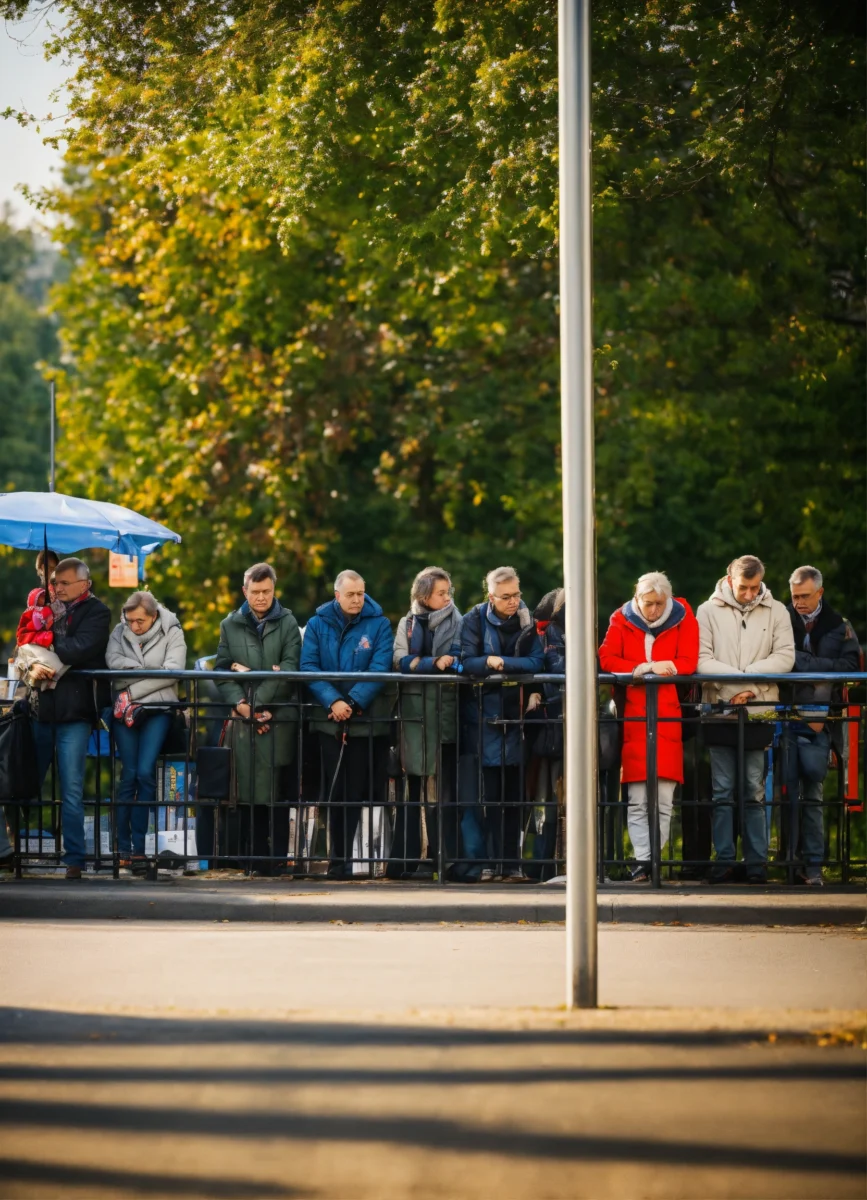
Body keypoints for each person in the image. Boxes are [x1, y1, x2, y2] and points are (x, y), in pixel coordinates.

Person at [697, 555, 795, 884]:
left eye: (755, 588)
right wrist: (737, 686)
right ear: (729, 579)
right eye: (743, 587)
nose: (750, 594)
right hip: (720, 708)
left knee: (754, 790)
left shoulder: (777, 610)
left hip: (758, 709)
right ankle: (723, 860)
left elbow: (785, 657)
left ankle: (757, 864)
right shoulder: (707, 610)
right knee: (722, 790)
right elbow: (701, 659)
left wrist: (747, 686)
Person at [599, 572, 699, 881]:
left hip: (667, 714)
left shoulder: (683, 616)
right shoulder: (621, 618)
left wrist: (655, 669)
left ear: (667, 600)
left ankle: (654, 858)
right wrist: (645, 669)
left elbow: (689, 660)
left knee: (664, 799)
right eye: (647, 603)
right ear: (637, 598)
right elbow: (606, 657)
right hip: (635, 716)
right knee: (638, 798)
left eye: (658, 604)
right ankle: (644, 860)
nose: (652, 610)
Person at [300, 570, 394, 878]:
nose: (357, 599)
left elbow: (380, 667)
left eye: (361, 593)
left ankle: (346, 862)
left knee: (355, 792)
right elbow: (309, 666)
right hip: (327, 721)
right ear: (337, 595)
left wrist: (352, 702)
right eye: (351, 594)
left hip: (364, 722)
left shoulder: (379, 624)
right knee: (332, 791)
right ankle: (335, 859)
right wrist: (333, 701)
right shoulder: (316, 624)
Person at [214, 563, 302, 875]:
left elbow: (290, 669)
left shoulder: (289, 622)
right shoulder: (230, 624)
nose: (261, 597)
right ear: (245, 592)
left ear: (274, 590)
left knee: (276, 793)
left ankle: (276, 860)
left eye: (266, 591)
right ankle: (248, 859)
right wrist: (244, 707)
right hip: (244, 720)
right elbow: (223, 672)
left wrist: (258, 701)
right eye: (255, 592)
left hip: (278, 717)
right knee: (246, 792)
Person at [27, 557, 111, 880]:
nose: (56, 588)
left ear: (84, 584)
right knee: (18, 779)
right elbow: (24, 645)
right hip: (41, 708)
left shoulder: (97, 612)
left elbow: (79, 649)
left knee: (72, 788)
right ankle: (9, 849)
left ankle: (74, 858)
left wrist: (43, 643)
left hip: (74, 712)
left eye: (63, 583)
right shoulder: (42, 609)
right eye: (54, 583)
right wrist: (34, 654)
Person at [460, 566, 544, 881]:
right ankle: (489, 864)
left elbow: (537, 662)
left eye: (517, 595)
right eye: (506, 597)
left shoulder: (527, 620)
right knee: (488, 798)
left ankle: (511, 864)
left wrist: (500, 664)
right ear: (491, 596)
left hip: (516, 719)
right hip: (483, 717)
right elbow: (467, 662)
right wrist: (486, 663)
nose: (513, 602)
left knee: (515, 797)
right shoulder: (473, 619)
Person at [782, 566, 861, 886]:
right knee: (781, 794)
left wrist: (804, 664)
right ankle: (788, 863)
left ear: (820, 593)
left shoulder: (840, 626)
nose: (798, 602)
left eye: (804, 596)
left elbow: (852, 667)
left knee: (813, 794)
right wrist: (820, 670)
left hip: (821, 720)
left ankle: (813, 866)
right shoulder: (779, 620)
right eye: (794, 596)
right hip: (780, 716)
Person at [388, 566, 463, 880]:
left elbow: (459, 658)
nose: (447, 598)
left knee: (441, 790)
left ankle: (442, 859)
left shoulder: (460, 622)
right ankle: (408, 860)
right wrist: (433, 663)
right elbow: (399, 661)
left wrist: (421, 665)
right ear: (424, 596)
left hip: (445, 715)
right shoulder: (407, 623)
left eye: (448, 592)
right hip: (414, 715)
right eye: (441, 593)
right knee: (413, 787)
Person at [107, 591, 188, 872]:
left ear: (153, 616)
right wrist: (149, 674)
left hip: (157, 710)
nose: (134, 626)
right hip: (125, 712)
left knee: (145, 772)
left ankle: (140, 850)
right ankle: (123, 849)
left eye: (139, 621)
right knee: (127, 775)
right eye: (130, 621)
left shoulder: (173, 631)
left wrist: (131, 690)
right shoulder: (119, 631)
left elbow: (174, 671)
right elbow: (113, 667)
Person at [524, 589, 566, 881]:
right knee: (547, 798)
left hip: (548, 722)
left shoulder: (539, 631)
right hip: (549, 723)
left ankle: (544, 864)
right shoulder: (550, 632)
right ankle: (543, 864)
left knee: (547, 798)